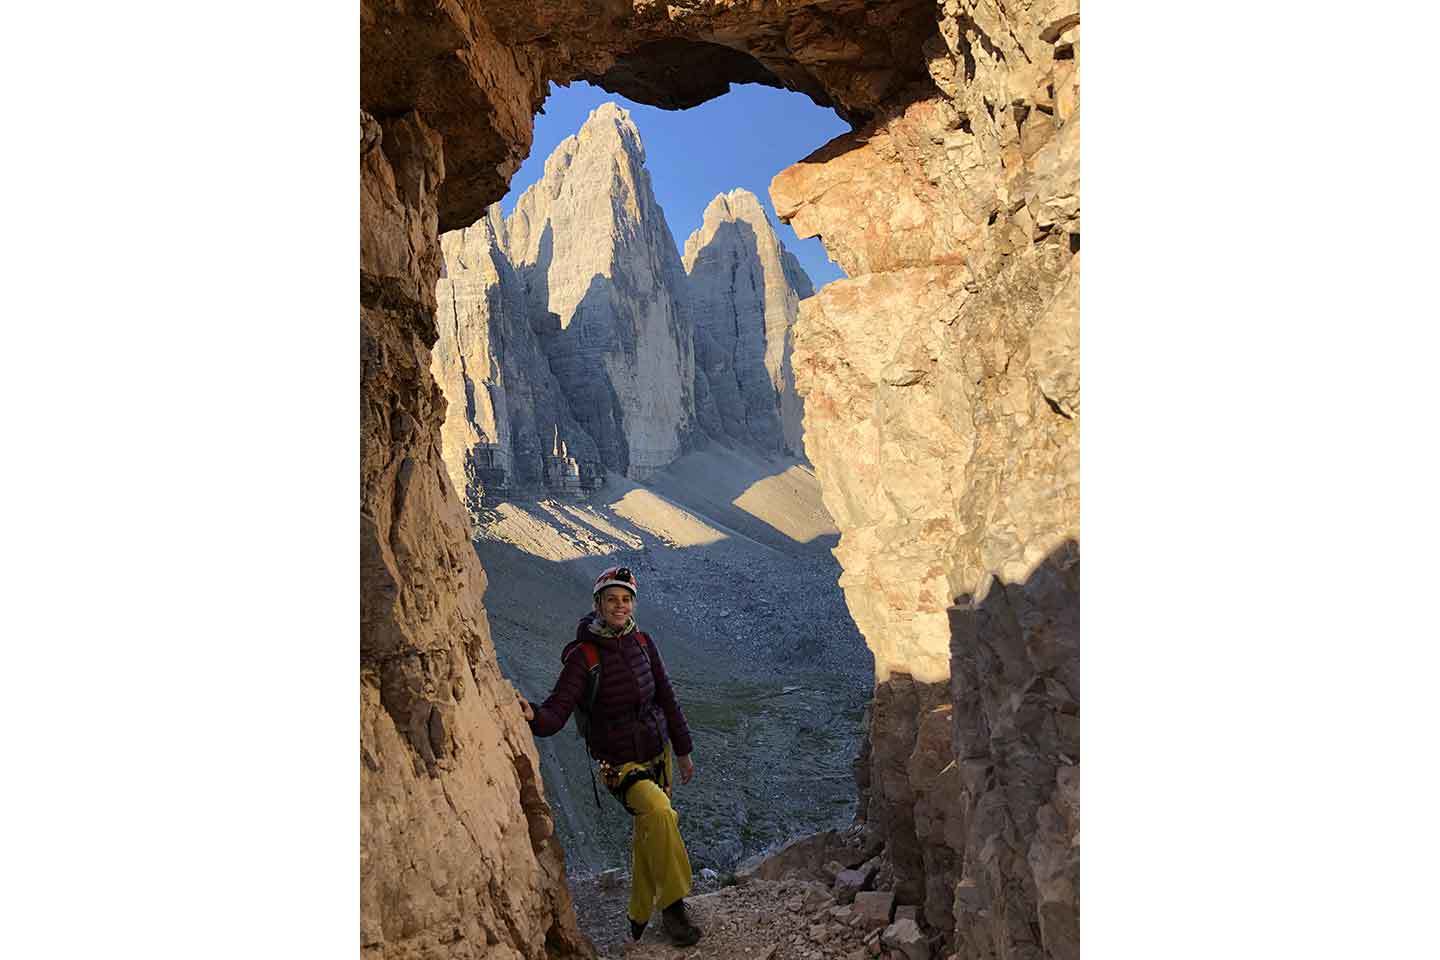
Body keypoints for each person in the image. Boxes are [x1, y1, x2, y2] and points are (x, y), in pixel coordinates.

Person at [517, 565, 704, 947]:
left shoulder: (643, 643)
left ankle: (638, 914)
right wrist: (533, 714)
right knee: (660, 813)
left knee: (650, 828)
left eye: (626, 599)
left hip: (659, 756)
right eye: (612, 600)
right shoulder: (583, 656)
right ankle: (673, 908)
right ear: (598, 605)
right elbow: (558, 708)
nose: (620, 606)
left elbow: (666, 697)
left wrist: (683, 750)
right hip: (620, 765)